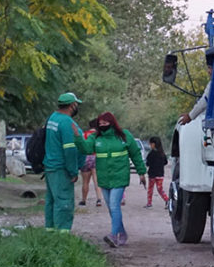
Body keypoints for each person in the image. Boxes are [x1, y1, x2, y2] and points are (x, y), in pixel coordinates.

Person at [80, 112, 146, 247]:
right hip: (104, 179)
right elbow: (85, 148)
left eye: (105, 123)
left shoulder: (124, 135)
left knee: (115, 205)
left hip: (119, 176)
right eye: (100, 123)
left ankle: (113, 235)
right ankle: (122, 234)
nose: (102, 125)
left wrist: (141, 172)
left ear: (112, 122)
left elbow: (135, 154)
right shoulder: (95, 137)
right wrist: (77, 137)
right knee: (111, 208)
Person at [43, 92, 86, 231]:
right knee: (64, 202)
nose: (77, 107)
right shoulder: (66, 122)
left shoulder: (52, 118)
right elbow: (70, 149)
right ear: (72, 105)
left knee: (51, 201)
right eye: (76, 104)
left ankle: (49, 231)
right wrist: (73, 171)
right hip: (62, 168)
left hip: (50, 166)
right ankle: (62, 235)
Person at [78, 119, 101, 207]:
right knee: (97, 180)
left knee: (85, 181)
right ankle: (99, 199)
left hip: (85, 158)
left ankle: (83, 200)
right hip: (96, 157)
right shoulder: (98, 136)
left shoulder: (84, 134)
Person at [144, 136, 169, 209]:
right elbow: (165, 162)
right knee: (160, 189)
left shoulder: (151, 153)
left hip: (152, 175)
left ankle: (149, 204)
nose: (150, 145)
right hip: (160, 174)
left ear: (154, 144)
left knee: (150, 189)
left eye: (150, 144)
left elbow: (147, 163)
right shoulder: (162, 153)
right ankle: (167, 200)